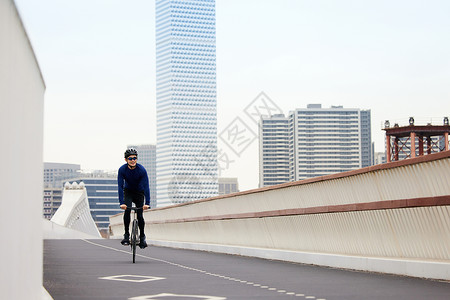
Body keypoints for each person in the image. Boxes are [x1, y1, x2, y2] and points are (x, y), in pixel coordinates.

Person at [117, 148, 150, 248]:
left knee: (140, 215)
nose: (133, 160)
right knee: (127, 211)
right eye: (130, 158)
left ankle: (143, 237)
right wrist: (122, 202)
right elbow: (120, 186)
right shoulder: (122, 169)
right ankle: (126, 235)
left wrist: (147, 203)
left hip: (139, 193)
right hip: (128, 192)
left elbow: (146, 187)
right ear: (126, 160)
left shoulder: (142, 170)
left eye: (135, 158)